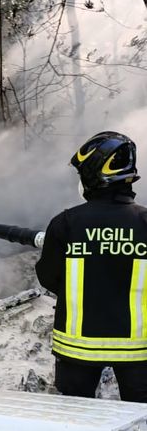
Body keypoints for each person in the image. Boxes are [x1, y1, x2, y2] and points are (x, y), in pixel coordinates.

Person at [35, 131, 147, 402]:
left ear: (94, 173)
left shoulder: (66, 223)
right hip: (139, 350)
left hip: (77, 349)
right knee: (143, 424)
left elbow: (49, 277)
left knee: (75, 421)